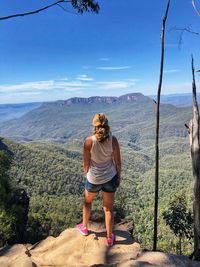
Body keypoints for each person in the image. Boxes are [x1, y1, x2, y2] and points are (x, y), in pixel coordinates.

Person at [76, 113, 121, 247]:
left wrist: (87, 175)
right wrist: (119, 176)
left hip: (94, 178)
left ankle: (84, 228)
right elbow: (118, 162)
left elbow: (86, 163)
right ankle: (109, 237)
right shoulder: (113, 140)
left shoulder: (89, 141)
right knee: (108, 208)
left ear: (94, 126)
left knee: (88, 202)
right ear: (107, 124)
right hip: (110, 177)